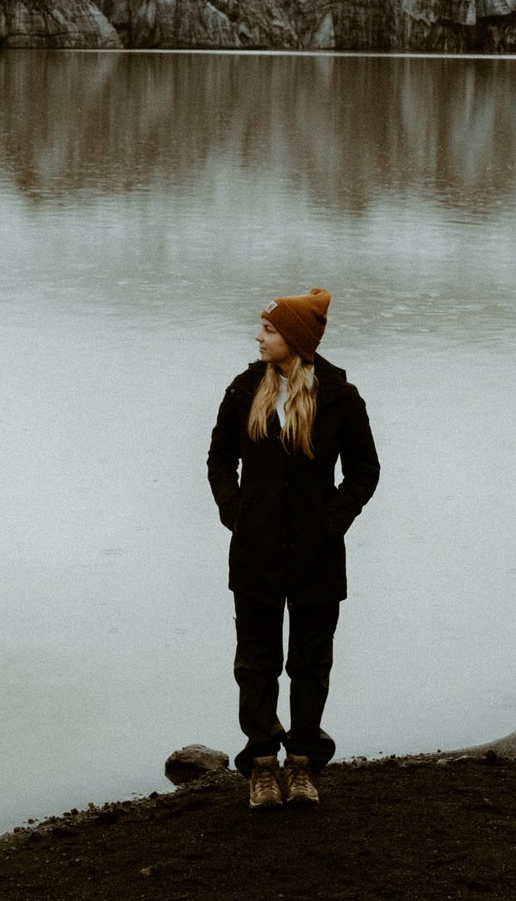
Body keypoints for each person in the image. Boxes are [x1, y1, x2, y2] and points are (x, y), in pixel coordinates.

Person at [205, 286, 379, 811]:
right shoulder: (243, 390)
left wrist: (332, 523)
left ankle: (303, 764)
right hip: (254, 552)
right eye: (262, 329)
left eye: (269, 330)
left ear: (295, 340)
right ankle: (261, 765)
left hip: (317, 556)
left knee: (309, 662)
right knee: (255, 662)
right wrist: (235, 513)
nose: (258, 337)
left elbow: (364, 472)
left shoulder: (338, 395)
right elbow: (218, 460)